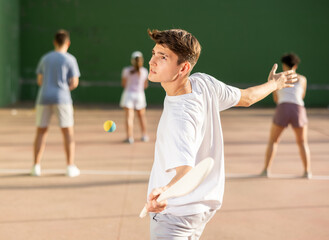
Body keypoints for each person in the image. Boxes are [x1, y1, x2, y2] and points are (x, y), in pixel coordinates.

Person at [143, 29, 298, 240]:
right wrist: (275, 84)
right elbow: (247, 98)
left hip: (174, 215)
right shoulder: (204, 83)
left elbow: (186, 172)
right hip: (201, 209)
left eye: (163, 57)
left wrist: (163, 192)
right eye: (154, 53)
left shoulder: (180, 116)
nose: (152, 61)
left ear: (184, 67)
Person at [31, 29, 81, 177]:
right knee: (67, 132)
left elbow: (39, 81)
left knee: (41, 131)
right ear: (68, 43)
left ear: (54, 42)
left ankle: (36, 167)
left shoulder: (45, 58)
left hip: (43, 98)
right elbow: (74, 82)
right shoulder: (70, 59)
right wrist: (65, 87)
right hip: (62, 99)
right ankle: (70, 167)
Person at [261, 53, 311, 178]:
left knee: (273, 141)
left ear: (284, 65)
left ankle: (266, 170)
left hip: (282, 108)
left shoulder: (278, 79)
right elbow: (302, 96)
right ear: (295, 65)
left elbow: (276, 98)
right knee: (302, 142)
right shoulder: (303, 79)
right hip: (298, 109)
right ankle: (307, 172)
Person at [120, 51, 149, 144]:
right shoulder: (144, 71)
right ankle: (144, 135)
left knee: (129, 117)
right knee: (142, 117)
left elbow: (123, 84)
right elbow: (145, 85)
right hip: (140, 96)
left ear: (132, 60)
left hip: (128, 95)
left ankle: (130, 137)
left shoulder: (126, 70)